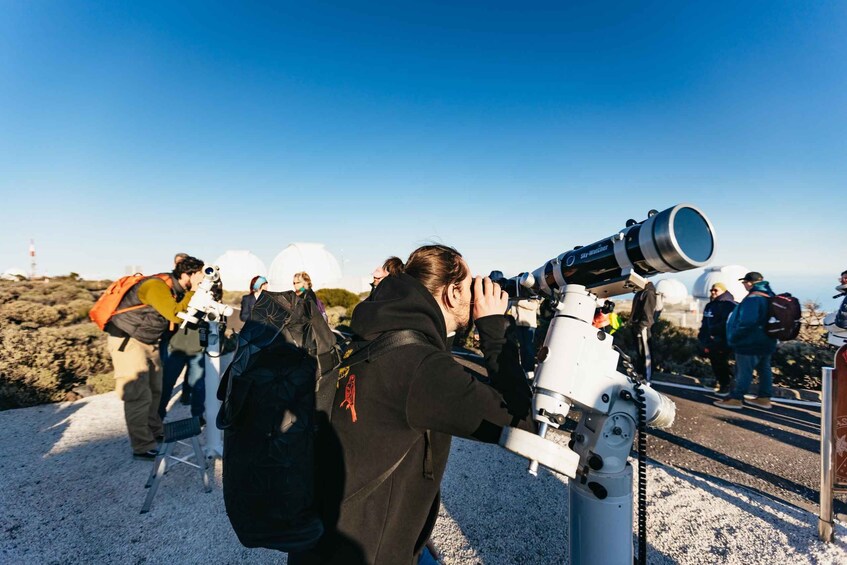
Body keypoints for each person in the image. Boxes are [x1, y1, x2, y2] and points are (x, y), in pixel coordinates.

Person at [298, 244, 533, 564]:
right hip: (367, 553)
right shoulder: (420, 367)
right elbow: (520, 421)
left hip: (334, 538)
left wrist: (415, 536)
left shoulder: (380, 333)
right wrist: (493, 327)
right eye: (467, 287)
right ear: (452, 293)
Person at [105, 256, 205, 459]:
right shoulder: (155, 286)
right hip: (128, 339)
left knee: (156, 390)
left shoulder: (177, 290)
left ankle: (156, 431)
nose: (202, 279)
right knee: (138, 393)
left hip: (148, 341)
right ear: (187, 274)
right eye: (200, 275)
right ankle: (142, 445)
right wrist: (194, 290)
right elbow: (176, 315)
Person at [715, 272, 776, 410]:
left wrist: (735, 337)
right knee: (764, 369)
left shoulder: (753, 298)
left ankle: (736, 398)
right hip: (767, 341)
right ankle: (764, 398)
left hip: (750, 341)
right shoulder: (769, 295)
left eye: (744, 282)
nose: (743, 285)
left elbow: (747, 321)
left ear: (750, 282)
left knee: (744, 371)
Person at [697, 282, 737, 396]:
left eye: (716, 290)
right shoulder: (710, 305)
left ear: (723, 291)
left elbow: (727, 323)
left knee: (720, 362)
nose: (713, 292)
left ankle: (725, 385)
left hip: (722, 340)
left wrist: (716, 333)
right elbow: (705, 322)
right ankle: (719, 382)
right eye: (712, 290)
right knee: (715, 362)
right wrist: (702, 337)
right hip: (710, 340)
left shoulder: (729, 305)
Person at [629, 281, 658, 381]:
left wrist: (642, 326)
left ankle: (647, 378)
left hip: (643, 328)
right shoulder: (641, 292)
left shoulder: (648, 292)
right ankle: (641, 376)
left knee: (646, 354)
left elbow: (648, 312)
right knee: (640, 353)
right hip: (638, 327)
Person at [510, 297, 541, 376]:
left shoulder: (532, 292)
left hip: (529, 324)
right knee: (522, 347)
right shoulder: (517, 293)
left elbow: (534, 306)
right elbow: (513, 307)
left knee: (528, 347)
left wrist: (519, 302)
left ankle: (530, 370)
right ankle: (524, 368)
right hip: (518, 323)